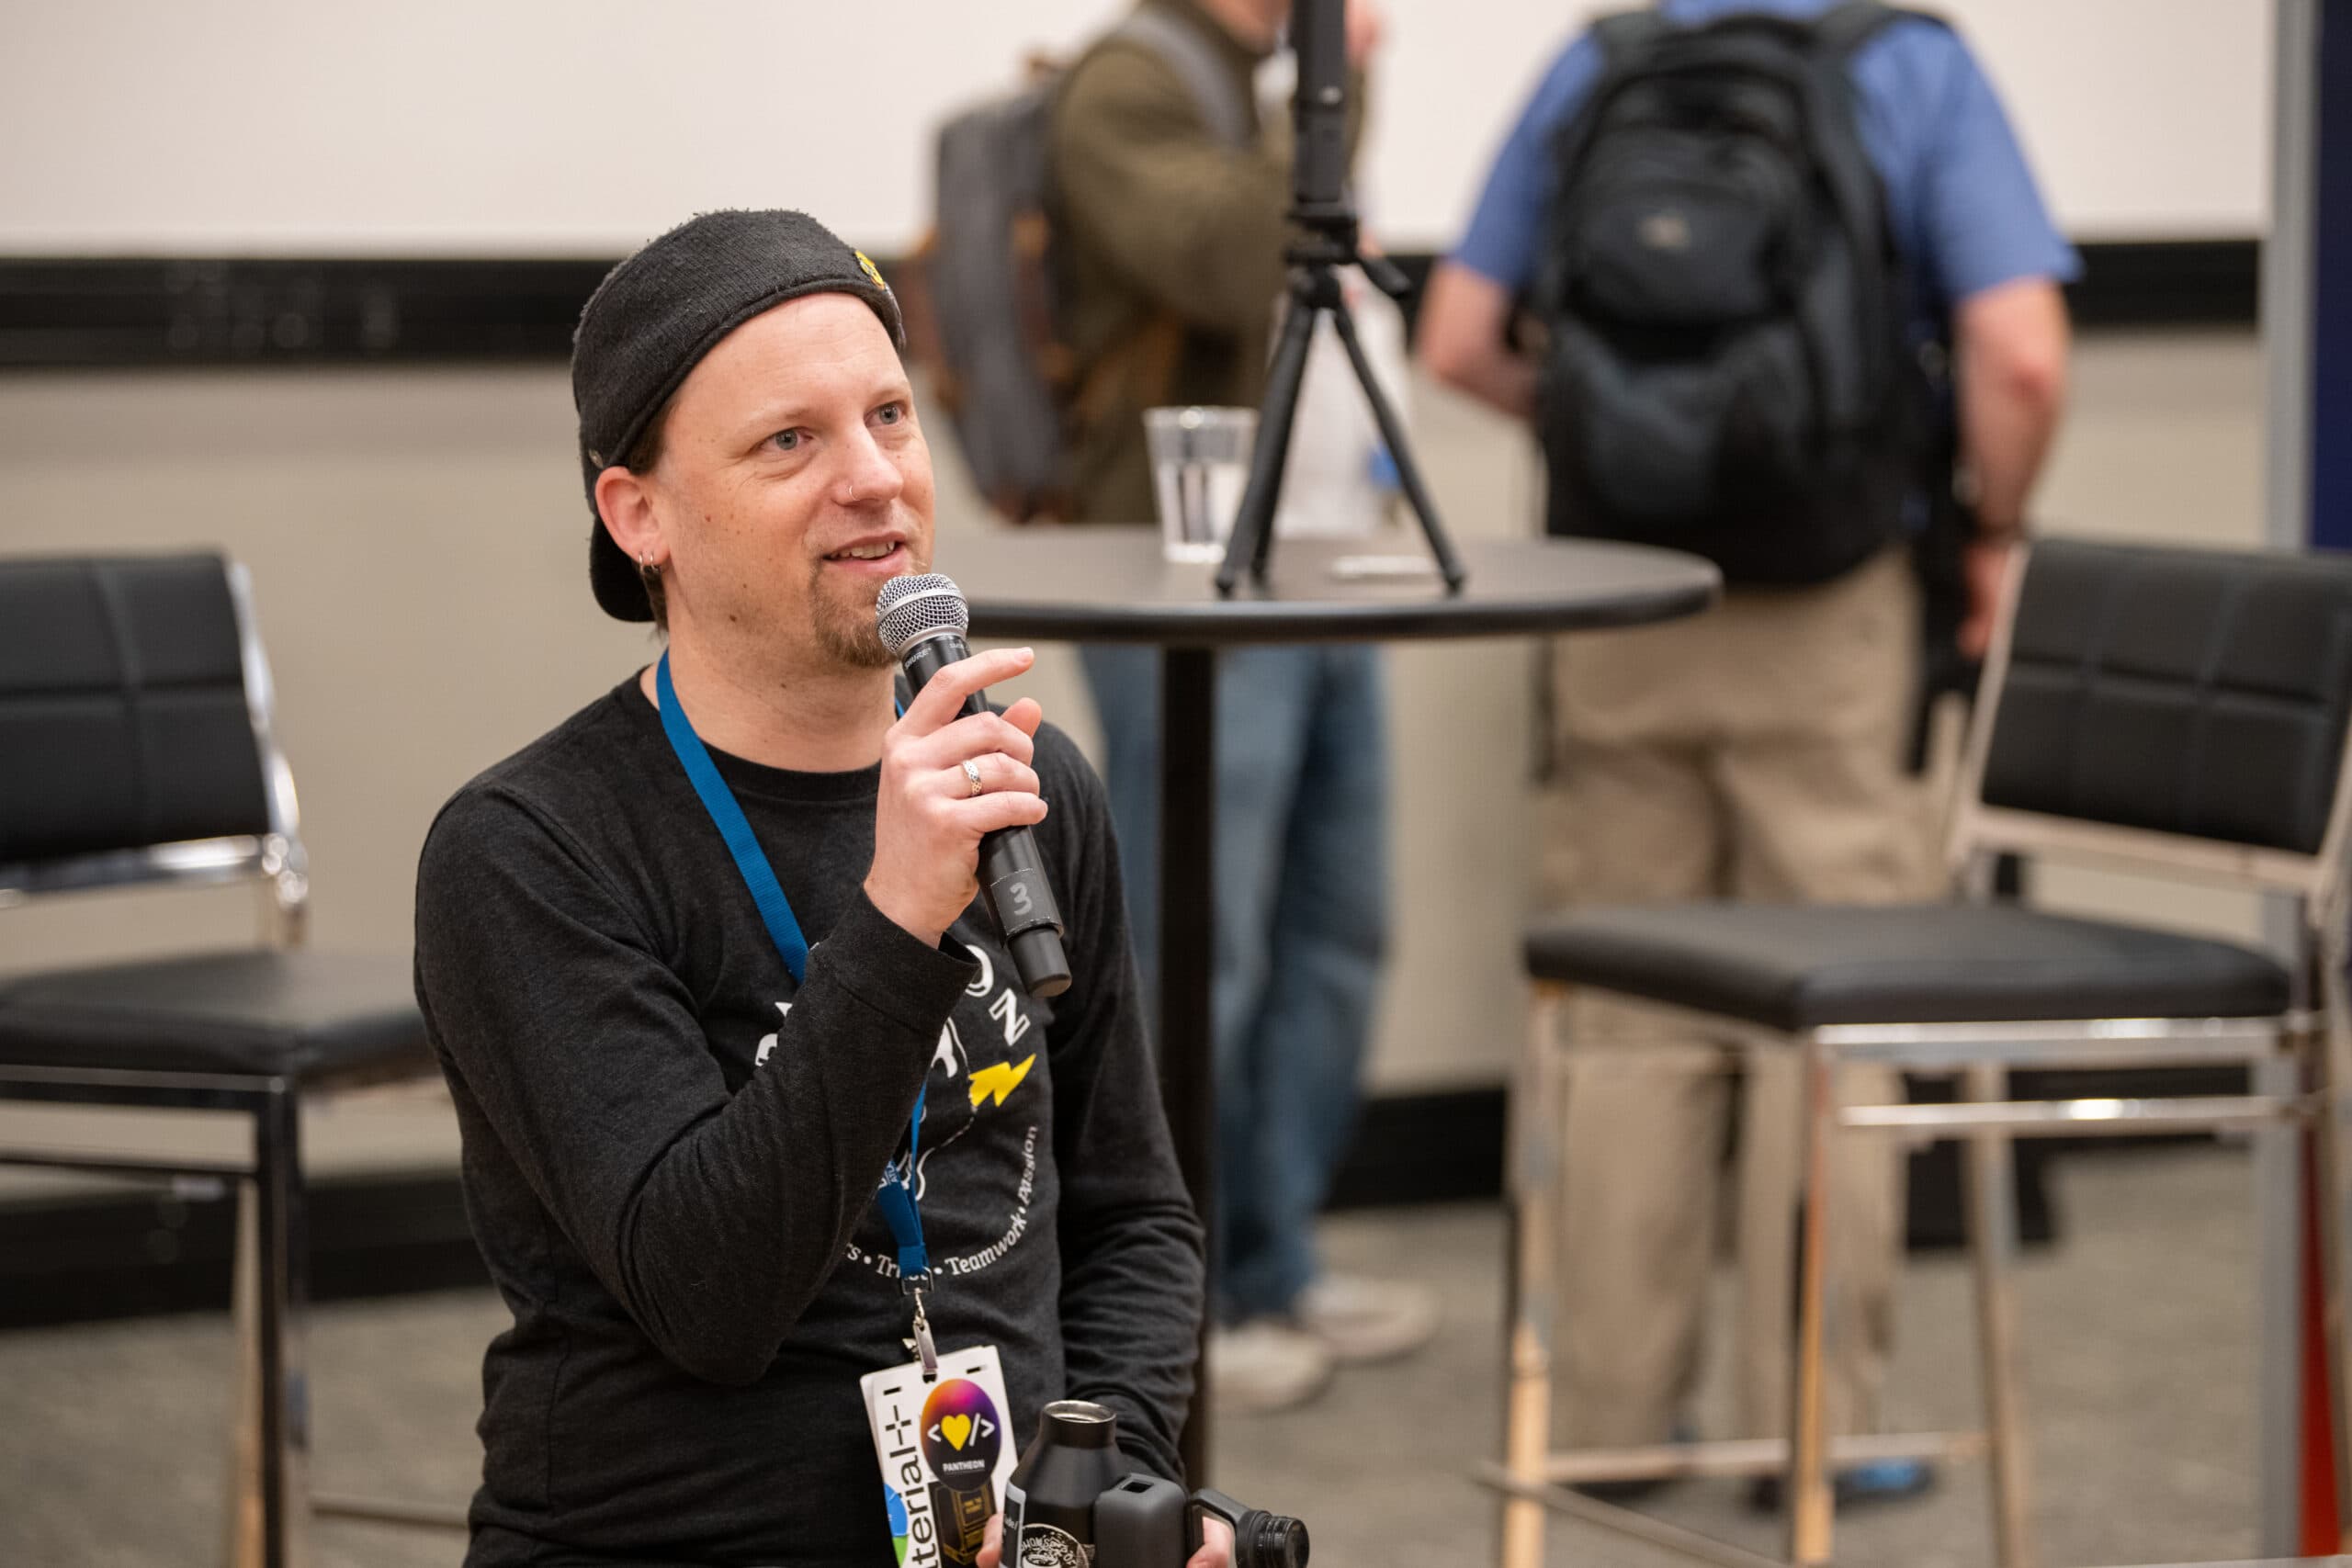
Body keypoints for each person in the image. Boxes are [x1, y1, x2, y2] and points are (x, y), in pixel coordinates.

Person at [413, 209, 1218, 1568]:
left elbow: (1132, 1211)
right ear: (641, 513)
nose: (875, 480)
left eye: (892, 418)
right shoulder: (530, 849)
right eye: (790, 441)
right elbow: (710, 1297)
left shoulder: (1029, 783)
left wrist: (1116, 1489)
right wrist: (897, 918)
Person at [1419, 0, 2074, 1506]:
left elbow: (1457, 336)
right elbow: (2020, 358)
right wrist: (1990, 534)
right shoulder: (1908, 65)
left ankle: (1608, 1425)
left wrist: (1625, 431)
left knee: (1629, 1019)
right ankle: (1813, 1432)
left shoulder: (1603, 61)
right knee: (1832, 1025)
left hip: (1617, 608)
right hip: (1831, 610)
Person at [1048, 0, 1439, 1415]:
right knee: (1193, 953)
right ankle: (1182, 1304)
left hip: (1334, 565)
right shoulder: (1127, 86)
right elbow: (1233, 259)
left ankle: (1273, 1258)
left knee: (1335, 931)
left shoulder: (1261, 92)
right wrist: (1332, 97)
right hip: (1193, 583)